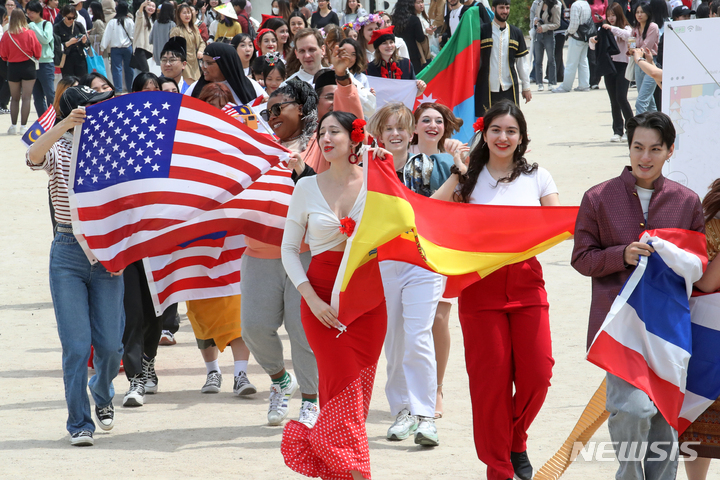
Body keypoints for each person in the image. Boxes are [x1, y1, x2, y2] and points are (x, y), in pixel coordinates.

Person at [571, 111, 704, 480]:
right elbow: (581, 258)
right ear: (628, 147)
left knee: (664, 418)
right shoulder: (598, 198)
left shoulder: (687, 202)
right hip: (620, 327)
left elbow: (698, 264)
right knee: (631, 410)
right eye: (638, 148)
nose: (645, 158)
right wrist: (621, 255)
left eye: (655, 149)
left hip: (669, 329)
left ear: (670, 151)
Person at [431, 100, 558, 480]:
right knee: (491, 385)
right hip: (479, 287)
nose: (503, 137)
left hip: (526, 283)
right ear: (484, 134)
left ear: (522, 138)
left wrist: (512, 236)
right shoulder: (469, 177)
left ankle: (516, 439)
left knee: (539, 373)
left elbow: (552, 228)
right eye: (496, 130)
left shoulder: (538, 177)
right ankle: (499, 469)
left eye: (511, 131)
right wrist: (460, 172)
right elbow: (432, 213)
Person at [280, 109, 387, 480]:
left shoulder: (378, 182)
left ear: (353, 137)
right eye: (321, 133)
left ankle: (335, 470)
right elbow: (288, 250)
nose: (326, 139)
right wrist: (310, 299)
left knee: (354, 403)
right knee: (343, 396)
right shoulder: (305, 187)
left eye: (335, 132)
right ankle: (358, 474)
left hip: (369, 305)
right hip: (321, 304)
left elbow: (412, 217)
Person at [26, 84, 122, 447]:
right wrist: (63, 124)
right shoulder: (59, 149)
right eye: (90, 106)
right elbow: (33, 156)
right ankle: (80, 423)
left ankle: (102, 387)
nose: (98, 111)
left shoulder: (112, 151)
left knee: (110, 346)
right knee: (78, 347)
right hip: (67, 250)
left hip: (107, 254)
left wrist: (122, 253)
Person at [366, 102, 453, 447]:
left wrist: (461, 164)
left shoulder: (429, 165)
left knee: (418, 335)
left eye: (402, 127)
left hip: (424, 260)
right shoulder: (369, 167)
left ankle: (425, 415)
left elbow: (444, 205)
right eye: (389, 128)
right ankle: (402, 411)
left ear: (412, 131)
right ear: (379, 133)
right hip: (385, 261)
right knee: (395, 339)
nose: (396, 134)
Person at [409, 101, 464, 419]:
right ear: (414, 126)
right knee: (408, 323)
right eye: (425, 120)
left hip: (442, 244)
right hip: (406, 244)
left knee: (440, 318)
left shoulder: (452, 158)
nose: (433, 125)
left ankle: (437, 388)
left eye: (439, 121)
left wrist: (459, 159)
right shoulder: (399, 156)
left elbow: (469, 193)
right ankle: (411, 388)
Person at [474, 0, 531, 115]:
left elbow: (522, 63)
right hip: (487, 87)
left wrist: (526, 87)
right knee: (487, 123)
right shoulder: (483, 31)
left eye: (507, 8)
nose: (505, 11)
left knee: (510, 120)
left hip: (508, 88)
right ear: (493, 9)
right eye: (501, 8)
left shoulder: (516, 33)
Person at [591, 2, 633, 142]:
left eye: (613, 15)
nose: (611, 18)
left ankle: (631, 128)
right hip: (609, 66)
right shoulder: (604, 29)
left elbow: (628, 35)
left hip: (623, 65)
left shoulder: (624, 28)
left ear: (619, 15)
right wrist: (592, 41)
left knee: (622, 97)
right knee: (613, 100)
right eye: (608, 16)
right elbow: (593, 47)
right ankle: (617, 131)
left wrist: (612, 28)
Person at [0, 9, 41, 135]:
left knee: (14, 98)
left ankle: (13, 126)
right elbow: (37, 52)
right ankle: (23, 126)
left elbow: (3, 54)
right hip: (28, 66)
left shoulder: (7, 35)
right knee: (27, 98)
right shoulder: (30, 33)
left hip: (13, 67)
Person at [186, 41, 262, 103]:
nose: (203, 67)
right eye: (202, 62)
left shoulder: (251, 87)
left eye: (208, 63)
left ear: (224, 64)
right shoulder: (194, 88)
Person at [365, 25, 427, 98]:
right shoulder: (369, 68)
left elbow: (412, 93)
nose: (389, 46)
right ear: (377, 47)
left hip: (403, 108)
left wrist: (421, 88)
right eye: (384, 43)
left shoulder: (406, 64)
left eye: (391, 42)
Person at [552, 0, 591, 93]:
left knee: (571, 63)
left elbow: (574, 24)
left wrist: (567, 33)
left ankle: (566, 86)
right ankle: (584, 85)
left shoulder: (575, 5)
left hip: (577, 36)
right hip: (585, 35)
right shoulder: (586, 4)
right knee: (583, 61)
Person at [26, 1, 55, 117]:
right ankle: (43, 119)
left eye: (32, 12)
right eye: (28, 13)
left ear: (39, 12)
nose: (29, 15)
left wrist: (32, 26)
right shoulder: (27, 26)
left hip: (46, 63)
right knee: (37, 96)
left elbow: (45, 39)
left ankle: (54, 117)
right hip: (32, 64)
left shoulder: (46, 24)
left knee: (50, 94)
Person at [629, 2, 658, 114]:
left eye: (642, 12)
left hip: (650, 63)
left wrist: (635, 50)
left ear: (648, 13)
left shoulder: (653, 27)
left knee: (641, 102)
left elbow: (645, 48)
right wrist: (631, 50)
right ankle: (658, 127)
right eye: (637, 12)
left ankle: (637, 129)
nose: (639, 15)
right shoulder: (635, 28)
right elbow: (632, 47)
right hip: (638, 64)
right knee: (649, 102)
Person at [101, 1, 133, 93]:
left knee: (116, 70)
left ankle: (118, 90)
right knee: (129, 69)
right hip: (128, 48)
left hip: (115, 49)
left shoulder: (112, 22)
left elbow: (106, 36)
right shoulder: (129, 21)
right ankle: (130, 89)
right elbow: (133, 35)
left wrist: (103, 48)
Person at [170, 3, 205, 83]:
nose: (187, 15)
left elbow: (202, 43)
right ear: (179, 15)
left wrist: (200, 51)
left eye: (189, 12)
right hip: (183, 62)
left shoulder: (195, 29)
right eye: (184, 13)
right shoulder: (176, 30)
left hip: (195, 63)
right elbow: (173, 48)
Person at [391, 0, 428, 73]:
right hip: (413, 54)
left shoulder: (393, 19)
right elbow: (420, 38)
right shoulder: (414, 19)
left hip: (397, 53)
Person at [54, 4, 88, 78]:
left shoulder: (78, 25)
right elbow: (56, 46)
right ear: (64, 16)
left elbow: (88, 43)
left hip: (80, 57)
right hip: (66, 58)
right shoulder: (57, 27)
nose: (72, 20)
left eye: (74, 18)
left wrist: (84, 41)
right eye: (69, 18)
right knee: (69, 82)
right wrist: (68, 43)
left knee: (82, 81)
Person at [532, 0, 560, 91]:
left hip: (548, 34)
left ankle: (551, 82)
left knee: (551, 59)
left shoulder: (555, 7)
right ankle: (539, 83)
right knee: (538, 60)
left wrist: (544, 27)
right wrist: (535, 21)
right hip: (538, 34)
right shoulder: (539, 4)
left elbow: (557, 24)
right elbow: (536, 16)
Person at [132, 0, 155, 72]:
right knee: (146, 71)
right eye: (149, 5)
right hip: (140, 48)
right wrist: (142, 5)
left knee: (139, 72)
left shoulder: (153, 21)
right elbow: (139, 14)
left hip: (149, 50)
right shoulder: (142, 18)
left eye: (153, 6)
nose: (151, 8)